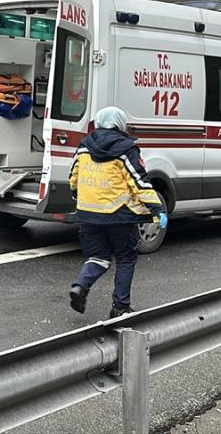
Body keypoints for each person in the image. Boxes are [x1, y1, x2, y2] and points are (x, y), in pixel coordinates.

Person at [67, 106, 165, 319]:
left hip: (87, 213)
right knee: (126, 258)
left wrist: (79, 197)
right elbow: (139, 182)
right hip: (118, 215)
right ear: (120, 124)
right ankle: (120, 307)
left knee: (98, 256)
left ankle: (81, 286)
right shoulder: (126, 148)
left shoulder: (84, 146)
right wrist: (157, 210)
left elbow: (73, 178)